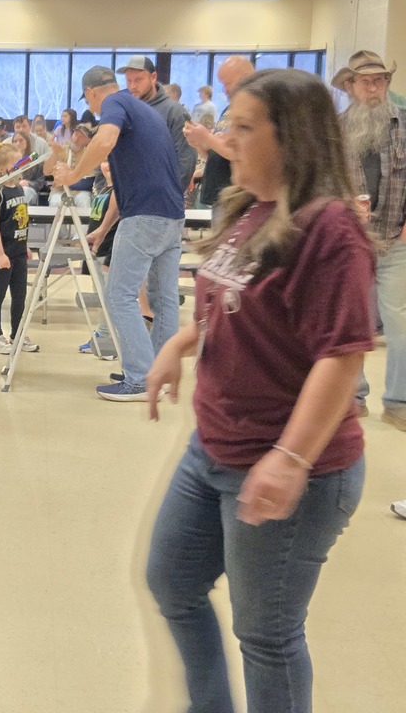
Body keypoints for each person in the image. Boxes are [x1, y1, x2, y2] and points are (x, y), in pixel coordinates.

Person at [145, 67, 373, 713]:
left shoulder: (329, 230)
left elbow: (343, 357)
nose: (227, 140)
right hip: (214, 447)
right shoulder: (248, 208)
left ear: (292, 136)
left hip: (291, 464)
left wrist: (291, 457)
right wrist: (179, 344)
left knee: (266, 634)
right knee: (172, 581)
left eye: (244, 128)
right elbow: (226, 298)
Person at [55, 66, 184, 401]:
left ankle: (140, 376)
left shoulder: (115, 104)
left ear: (92, 93)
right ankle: (159, 372)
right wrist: (104, 228)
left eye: (89, 102)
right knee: (164, 298)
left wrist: (72, 175)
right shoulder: (145, 109)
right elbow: (123, 185)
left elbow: (105, 139)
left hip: (145, 216)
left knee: (118, 295)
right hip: (170, 216)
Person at [331, 49, 406, 431]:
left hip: (397, 237)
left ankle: (399, 401)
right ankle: (352, 396)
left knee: (400, 321)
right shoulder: (335, 130)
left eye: (380, 80)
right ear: (350, 87)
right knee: (352, 322)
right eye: (366, 81)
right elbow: (325, 183)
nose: (374, 88)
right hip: (352, 241)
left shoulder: (405, 124)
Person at [0, 142, 39, 354]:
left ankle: (18, 334)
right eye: (16, 162)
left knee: (20, 295)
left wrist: (26, 245)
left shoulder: (20, 189)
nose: (21, 165)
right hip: (1, 252)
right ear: (3, 167)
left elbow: (20, 220)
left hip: (19, 251)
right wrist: (0, 254)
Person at [184, 56, 256, 222]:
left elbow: (237, 151)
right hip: (218, 193)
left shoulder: (252, 110)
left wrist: (207, 137)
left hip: (237, 195)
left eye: (228, 83)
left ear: (245, 78)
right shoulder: (230, 109)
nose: (225, 90)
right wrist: (200, 144)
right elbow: (218, 151)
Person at [116, 55, 198, 192]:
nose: (132, 86)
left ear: (153, 77)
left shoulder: (175, 112)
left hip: (162, 201)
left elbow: (186, 159)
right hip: (132, 198)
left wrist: (170, 194)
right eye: (128, 81)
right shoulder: (128, 112)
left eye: (138, 80)